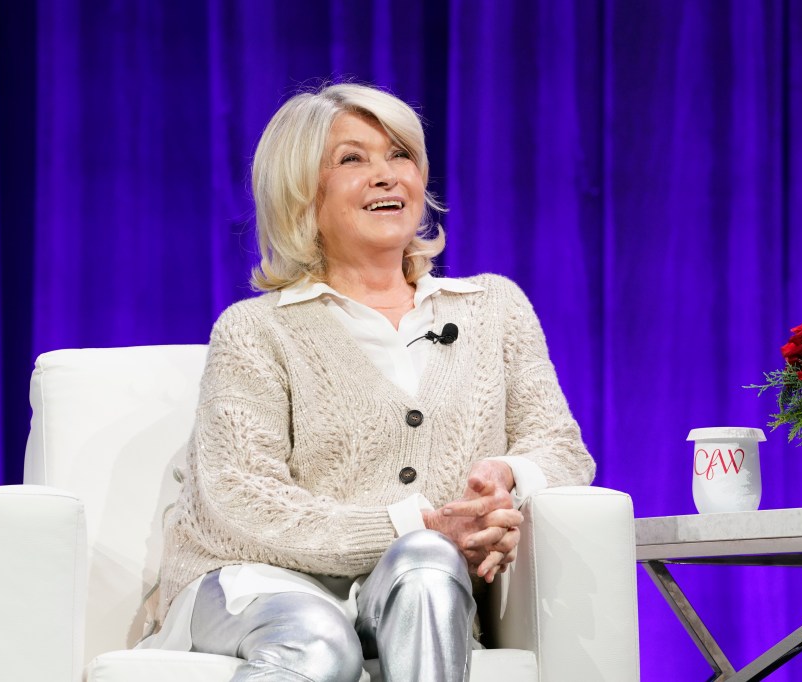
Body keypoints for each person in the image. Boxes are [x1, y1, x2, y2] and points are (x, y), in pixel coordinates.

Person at [140, 83, 595, 682]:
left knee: (429, 559)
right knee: (320, 642)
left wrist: (504, 480)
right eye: (352, 158)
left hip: (406, 583)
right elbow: (244, 500)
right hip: (257, 581)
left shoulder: (495, 309)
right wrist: (417, 522)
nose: (387, 175)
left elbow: (562, 449)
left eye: (400, 154)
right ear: (303, 191)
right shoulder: (256, 329)